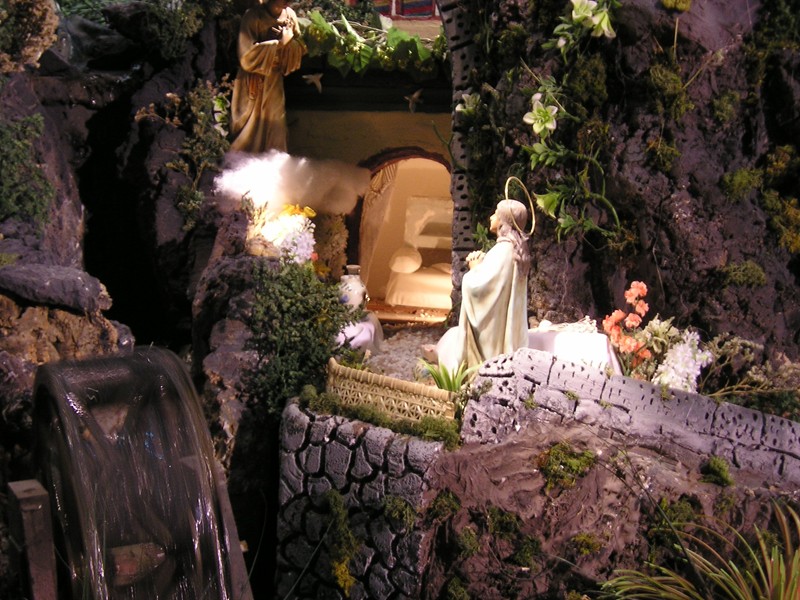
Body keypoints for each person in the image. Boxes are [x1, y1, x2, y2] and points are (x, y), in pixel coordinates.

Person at [435, 199, 531, 371]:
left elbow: (479, 289)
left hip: (492, 333)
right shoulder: (515, 251)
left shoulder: (503, 251)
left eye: (496, 213)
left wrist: (474, 268)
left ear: (503, 221)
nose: (491, 217)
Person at [229, 0, 306, 153]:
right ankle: (244, 163)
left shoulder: (290, 15)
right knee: (249, 130)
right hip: (252, 82)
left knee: (275, 124)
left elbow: (301, 46)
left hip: (274, 80)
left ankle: (273, 162)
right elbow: (246, 55)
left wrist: (289, 43)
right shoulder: (253, 16)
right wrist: (278, 44)